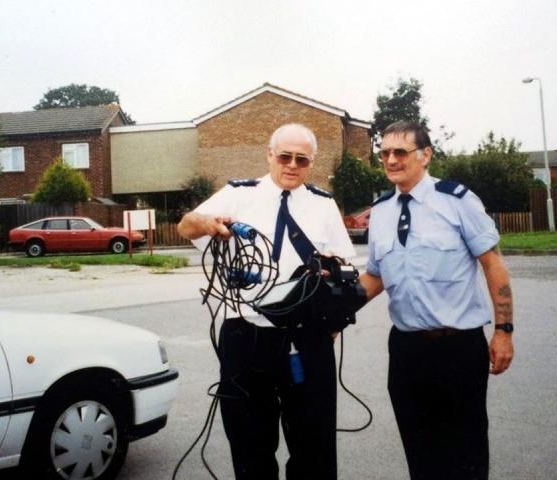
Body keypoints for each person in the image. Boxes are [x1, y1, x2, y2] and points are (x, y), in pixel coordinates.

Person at [177, 123, 355, 480]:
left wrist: (331, 323)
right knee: (249, 442)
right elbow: (186, 225)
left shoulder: (323, 203)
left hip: (306, 337)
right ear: (269, 155)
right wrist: (208, 222)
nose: (291, 165)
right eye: (284, 156)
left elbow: (345, 266)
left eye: (301, 160)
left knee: (313, 444)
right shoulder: (238, 194)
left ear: (312, 162)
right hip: (246, 334)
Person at [359, 121, 514, 480]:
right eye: (384, 153)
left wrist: (504, 330)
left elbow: (492, 264)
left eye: (401, 151)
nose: (391, 160)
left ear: (426, 155)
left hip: (457, 347)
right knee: (420, 454)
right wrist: (333, 315)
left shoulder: (457, 200)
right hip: (406, 351)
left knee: (466, 453)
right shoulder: (380, 211)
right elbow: (376, 276)